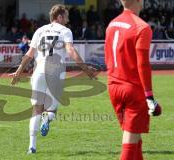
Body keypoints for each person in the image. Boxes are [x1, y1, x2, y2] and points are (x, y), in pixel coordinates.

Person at [9, 4, 98, 154]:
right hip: (55, 71)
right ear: (60, 17)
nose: (68, 19)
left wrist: (18, 72)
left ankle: (32, 146)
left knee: (36, 109)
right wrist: (86, 69)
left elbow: (29, 54)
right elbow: (70, 51)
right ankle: (47, 118)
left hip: (38, 71)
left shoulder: (39, 30)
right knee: (52, 109)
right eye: (67, 16)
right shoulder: (65, 31)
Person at [104, 0, 162, 159]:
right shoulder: (142, 27)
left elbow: (107, 56)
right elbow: (143, 64)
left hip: (113, 86)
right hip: (132, 90)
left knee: (134, 138)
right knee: (130, 143)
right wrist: (149, 96)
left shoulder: (112, 24)